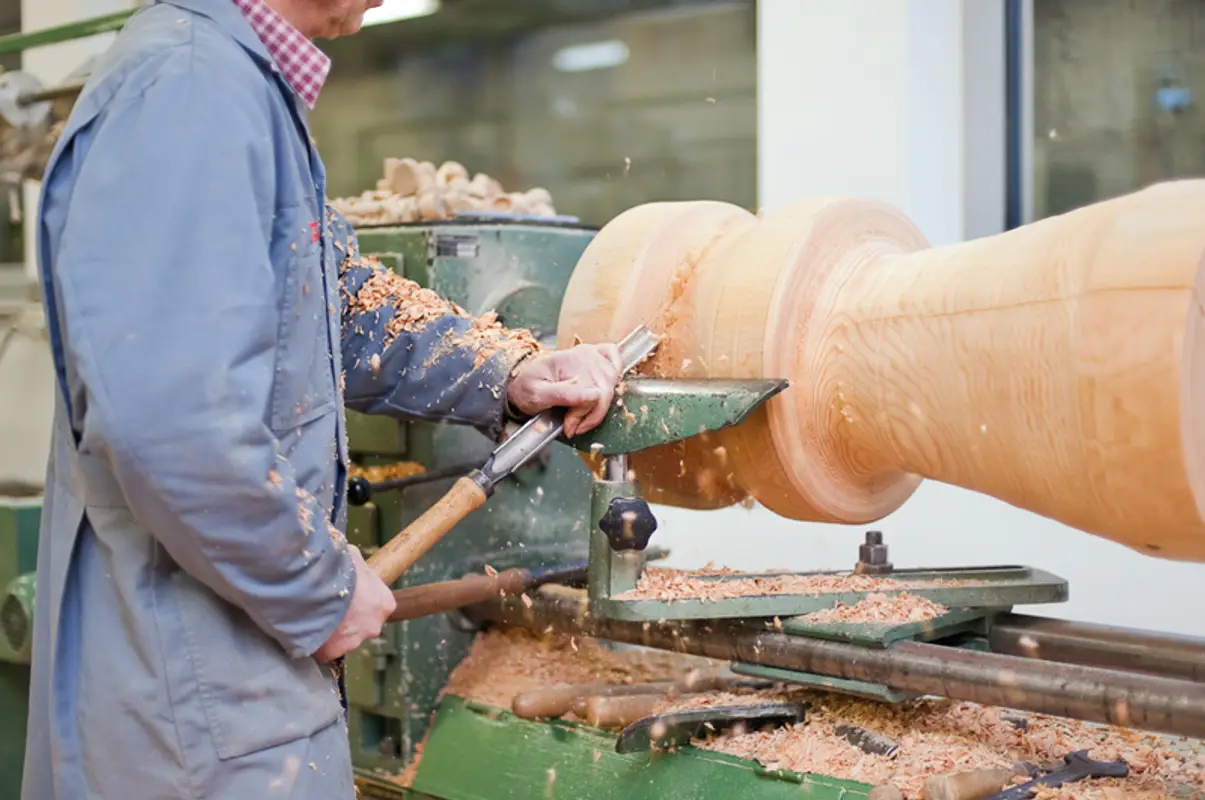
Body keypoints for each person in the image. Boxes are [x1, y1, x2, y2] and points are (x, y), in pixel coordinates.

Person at [22, 0, 623, 797]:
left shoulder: (236, 84)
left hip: (226, 677)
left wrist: (504, 370)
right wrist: (316, 589)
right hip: (194, 706)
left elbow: (327, 295)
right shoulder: (190, 90)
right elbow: (170, 421)